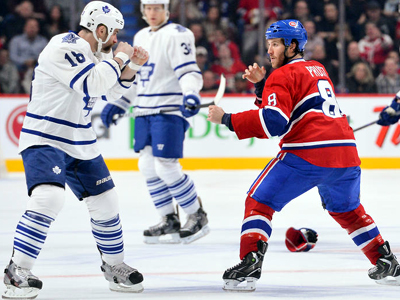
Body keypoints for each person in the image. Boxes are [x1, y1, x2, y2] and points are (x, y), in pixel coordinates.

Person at [207, 19, 400, 292]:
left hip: (308, 154)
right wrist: (263, 86)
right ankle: (386, 261)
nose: (269, 51)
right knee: (347, 210)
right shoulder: (318, 69)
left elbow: (275, 122)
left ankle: (249, 262)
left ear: (292, 45)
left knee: (259, 201)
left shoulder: (282, 74)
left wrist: (226, 118)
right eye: (268, 44)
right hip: (346, 154)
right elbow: (293, 104)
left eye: (275, 44)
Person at [2, 1, 149, 298]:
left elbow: (112, 89)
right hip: (46, 135)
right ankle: (16, 272)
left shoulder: (97, 53)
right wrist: (119, 57)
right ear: (100, 28)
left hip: (80, 139)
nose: (117, 38)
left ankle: (114, 266)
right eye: (114, 32)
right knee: (49, 197)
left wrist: (130, 66)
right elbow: (94, 85)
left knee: (107, 201)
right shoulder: (63, 45)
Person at [100, 0, 209, 245]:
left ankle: (196, 214)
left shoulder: (179, 34)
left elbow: (188, 71)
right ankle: (168, 219)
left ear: (166, 10)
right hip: (144, 110)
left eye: (157, 7)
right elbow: (136, 77)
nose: (152, 13)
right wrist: (119, 102)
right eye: (148, 8)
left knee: (165, 167)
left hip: (168, 110)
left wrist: (191, 93)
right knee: (147, 166)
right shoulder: (140, 35)